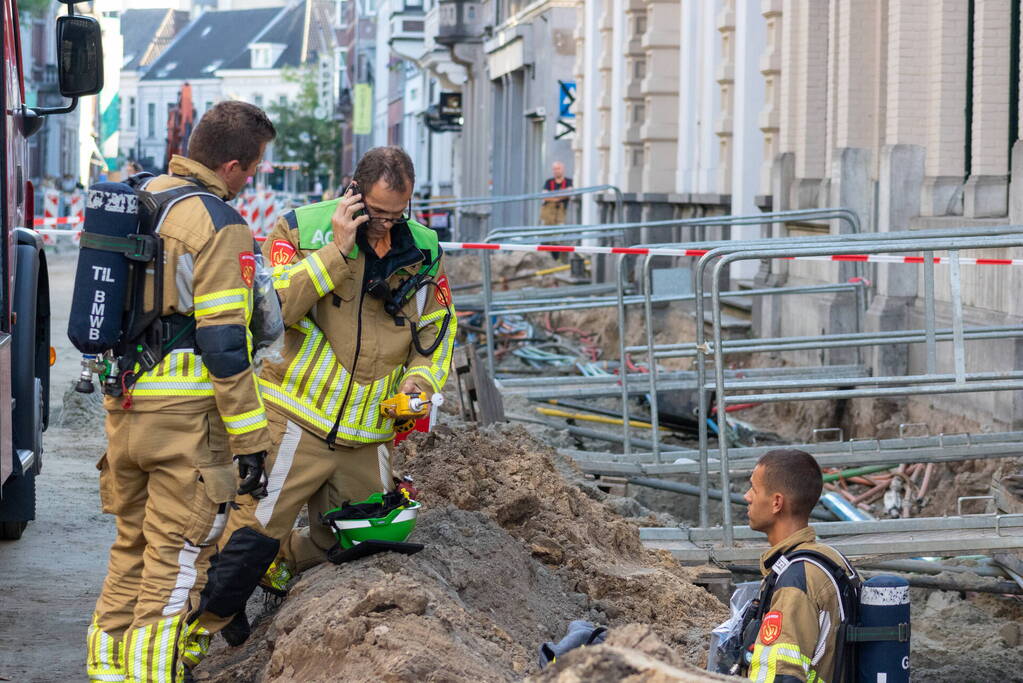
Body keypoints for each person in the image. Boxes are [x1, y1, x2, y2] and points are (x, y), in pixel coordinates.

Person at [188, 145, 457, 650]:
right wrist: (337, 250)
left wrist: (418, 388)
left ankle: (281, 571)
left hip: (369, 430)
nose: (385, 227)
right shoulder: (301, 230)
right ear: (352, 194)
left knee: (369, 540)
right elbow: (275, 310)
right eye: (376, 214)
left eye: (397, 215)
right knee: (252, 535)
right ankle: (203, 630)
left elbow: (439, 331)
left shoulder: (423, 248)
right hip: (297, 420)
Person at [86, 101, 277, 683]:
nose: (251, 182)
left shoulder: (142, 202)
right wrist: (250, 441)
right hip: (186, 428)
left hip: (125, 408)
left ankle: (107, 673)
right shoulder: (218, 222)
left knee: (131, 551)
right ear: (234, 163)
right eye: (253, 170)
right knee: (174, 567)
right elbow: (224, 344)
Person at [741, 449, 858, 683]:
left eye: (754, 489)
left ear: (776, 502)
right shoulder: (829, 560)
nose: (747, 496)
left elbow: (781, 675)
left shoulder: (795, 582)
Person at [540, 161, 573, 225]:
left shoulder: (568, 181)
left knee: (559, 232)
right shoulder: (549, 182)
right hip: (548, 214)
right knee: (545, 232)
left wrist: (551, 195)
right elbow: (544, 196)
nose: (556, 171)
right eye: (554, 169)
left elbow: (569, 193)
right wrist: (560, 197)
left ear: (563, 169)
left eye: (558, 168)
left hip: (562, 213)